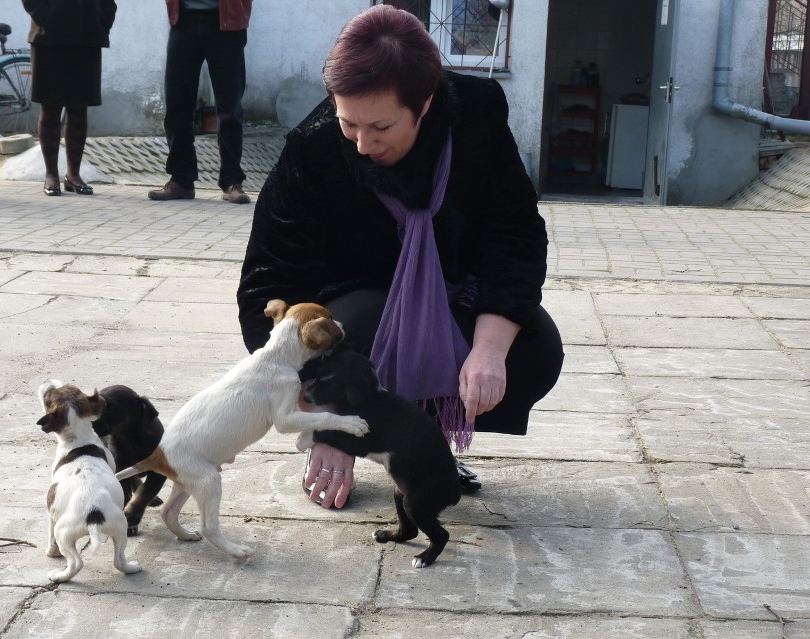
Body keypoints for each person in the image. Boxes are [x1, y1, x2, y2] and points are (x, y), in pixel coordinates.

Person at [236, 5, 564, 509]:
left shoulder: (477, 114)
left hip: (456, 292)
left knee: (535, 345)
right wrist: (326, 418)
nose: (364, 145)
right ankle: (361, 433)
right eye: (350, 124)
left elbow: (515, 233)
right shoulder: (314, 148)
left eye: (381, 127)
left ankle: (420, 439)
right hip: (355, 307)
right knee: (358, 323)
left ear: (425, 103)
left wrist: (491, 350)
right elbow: (270, 281)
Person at [147, 0, 252, 204]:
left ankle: (232, 181)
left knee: (230, 108)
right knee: (177, 104)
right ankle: (182, 180)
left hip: (227, 22)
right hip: (183, 20)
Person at [21, 0, 117, 196]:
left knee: (79, 108)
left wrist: (101, 19)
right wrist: (45, 16)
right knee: (50, 106)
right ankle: (51, 175)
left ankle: (74, 175)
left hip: (87, 36)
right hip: (48, 36)